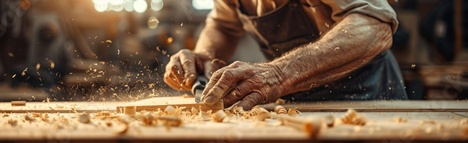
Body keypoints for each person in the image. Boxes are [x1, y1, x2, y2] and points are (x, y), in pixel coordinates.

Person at [164, 0, 408, 110]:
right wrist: (205, 56)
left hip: (367, 95)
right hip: (296, 103)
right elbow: (222, 26)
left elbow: (375, 26)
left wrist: (279, 74)